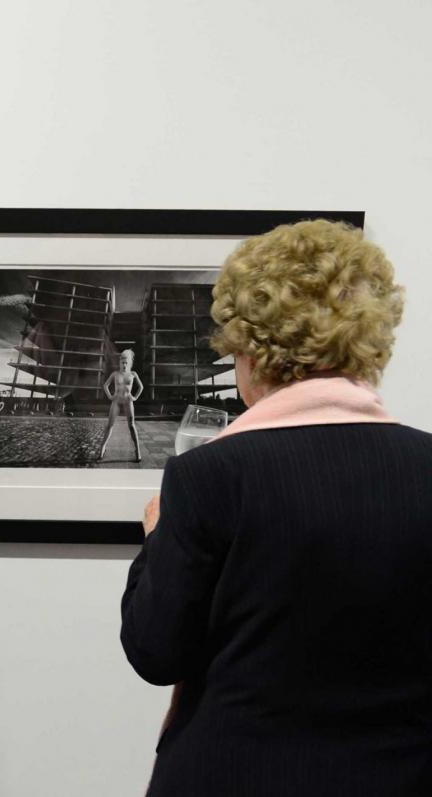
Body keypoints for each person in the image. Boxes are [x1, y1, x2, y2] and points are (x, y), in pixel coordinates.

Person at [120, 220, 430, 796]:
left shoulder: (209, 474)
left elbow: (155, 651)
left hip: (233, 775)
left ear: (252, 353)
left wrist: (157, 537)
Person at [99, 348, 144, 462]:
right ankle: (103, 447)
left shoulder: (133, 374)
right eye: (122, 362)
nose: (124, 365)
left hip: (128, 401)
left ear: (129, 363)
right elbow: (105, 386)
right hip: (117, 401)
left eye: (126, 363)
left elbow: (141, 387)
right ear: (120, 362)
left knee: (132, 426)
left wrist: (135, 397)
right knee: (110, 425)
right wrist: (110, 396)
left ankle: (137, 450)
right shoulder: (115, 374)